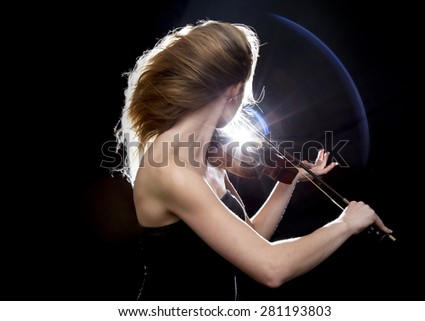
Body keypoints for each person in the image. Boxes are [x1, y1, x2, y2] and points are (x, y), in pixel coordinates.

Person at [114, 19, 392, 300]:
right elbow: (271, 267)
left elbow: (252, 236)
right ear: (235, 90)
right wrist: (345, 223)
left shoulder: (205, 152)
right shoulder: (172, 169)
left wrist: (288, 179)